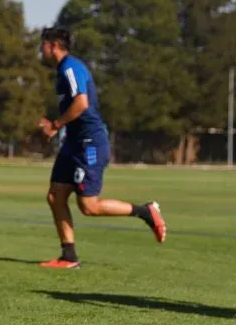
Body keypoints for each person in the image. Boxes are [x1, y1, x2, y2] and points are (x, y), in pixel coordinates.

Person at [38, 27, 167, 269]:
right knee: (55, 196)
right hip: (73, 142)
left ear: (53, 45)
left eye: (43, 44)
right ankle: (68, 256)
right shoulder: (62, 70)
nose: (40, 49)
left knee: (89, 206)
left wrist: (55, 125)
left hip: (89, 142)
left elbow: (81, 103)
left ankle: (145, 211)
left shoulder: (70, 68)